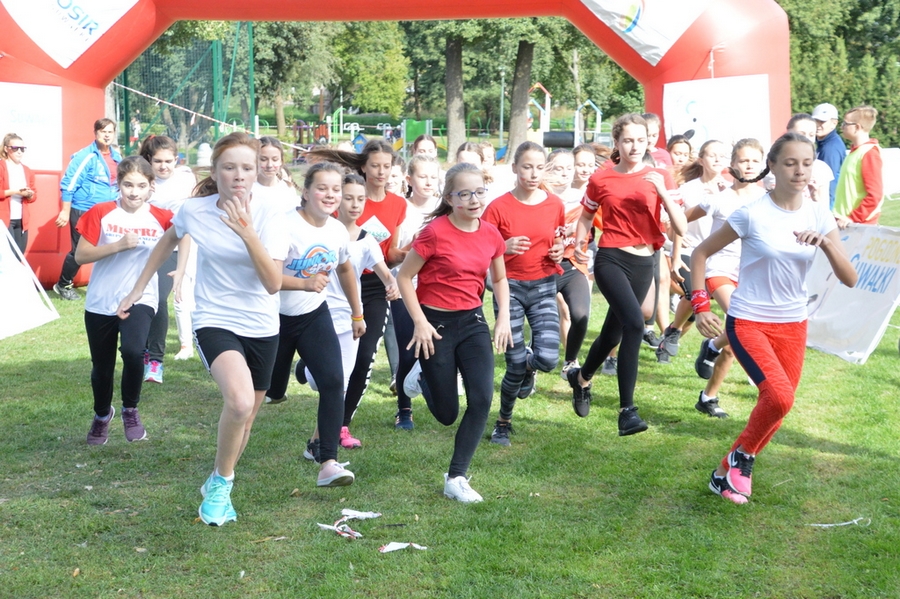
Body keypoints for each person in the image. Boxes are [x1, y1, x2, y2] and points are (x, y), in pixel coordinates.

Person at [117, 132, 288, 526]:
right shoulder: (195, 210)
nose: (239, 175)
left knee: (246, 418)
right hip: (215, 319)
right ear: (215, 171)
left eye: (247, 167)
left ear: (257, 170)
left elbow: (273, 283)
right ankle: (223, 484)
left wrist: (247, 232)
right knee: (239, 402)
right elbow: (168, 239)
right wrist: (138, 288)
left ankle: (217, 476)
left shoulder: (272, 212)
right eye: (230, 167)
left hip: (263, 325)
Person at [691, 132, 857, 504]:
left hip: (793, 323)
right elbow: (700, 254)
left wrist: (826, 243)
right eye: (790, 163)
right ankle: (743, 458)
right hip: (748, 320)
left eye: (807, 163)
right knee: (778, 397)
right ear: (773, 166)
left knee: (779, 406)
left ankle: (724, 471)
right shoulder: (751, 213)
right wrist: (701, 306)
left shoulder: (818, 213)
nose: (800, 171)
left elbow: (850, 277)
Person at [397, 162, 511, 502]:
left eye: (479, 192)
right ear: (450, 198)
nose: (474, 200)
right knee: (446, 415)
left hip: (473, 323)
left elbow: (499, 278)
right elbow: (404, 277)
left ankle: (456, 477)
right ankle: (421, 377)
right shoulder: (434, 233)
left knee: (482, 398)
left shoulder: (491, 234)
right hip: (435, 327)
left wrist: (503, 317)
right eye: (465, 194)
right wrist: (420, 322)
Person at [570, 113, 686, 435]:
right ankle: (627, 411)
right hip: (611, 258)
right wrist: (580, 243)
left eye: (641, 140)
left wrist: (663, 192)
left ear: (649, 141)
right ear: (617, 143)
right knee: (635, 323)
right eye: (628, 140)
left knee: (613, 334)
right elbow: (586, 216)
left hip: (646, 261)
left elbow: (681, 227)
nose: (635, 146)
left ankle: (581, 378)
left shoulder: (661, 176)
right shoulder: (602, 179)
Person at [265, 162, 366, 485]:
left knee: (334, 382)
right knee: (271, 390)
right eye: (322, 188)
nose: (330, 195)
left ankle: (327, 461)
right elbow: (269, 278)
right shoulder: (284, 225)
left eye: (336, 189)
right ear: (306, 192)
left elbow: (345, 268)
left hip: (313, 315)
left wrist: (357, 313)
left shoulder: (336, 230)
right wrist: (304, 283)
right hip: (274, 319)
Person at [308, 140, 406, 444]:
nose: (381, 171)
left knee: (363, 356)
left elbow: (389, 255)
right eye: (375, 165)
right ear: (363, 167)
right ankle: (308, 367)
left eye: (387, 166)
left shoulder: (398, 204)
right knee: (328, 358)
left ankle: (340, 424)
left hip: (372, 288)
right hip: (332, 289)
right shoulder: (339, 206)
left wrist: (405, 266)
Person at [75, 156, 173, 445]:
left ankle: (131, 410)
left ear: (151, 186)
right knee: (101, 367)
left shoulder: (162, 217)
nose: (134, 192)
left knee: (133, 351)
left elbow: (187, 233)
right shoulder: (101, 212)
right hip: (101, 300)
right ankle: (102, 415)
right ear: (118, 184)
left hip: (141, 297)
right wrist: (117, 246)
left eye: (141, 185)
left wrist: (182, 270)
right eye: (128, 185)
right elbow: (81, 256)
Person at [482, 142, 565, 446]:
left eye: (539, 167)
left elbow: (559, 239)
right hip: (509, 288)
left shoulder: (554, 204)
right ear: (515, 168)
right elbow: (479, 248)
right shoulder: (498, 207)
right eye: (527, 167)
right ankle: (503, 422)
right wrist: (503, 247)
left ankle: (531, 366)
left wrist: (559, 251)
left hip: (543, 285)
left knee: (548, 359)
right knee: (513, 364)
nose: (533, 174)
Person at [684, 139, 766, 418]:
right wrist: (674, 246)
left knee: (733, 343)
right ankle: (713, 346)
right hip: (719, 270)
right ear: (732, 165)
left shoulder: (768, 199)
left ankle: (708, 396)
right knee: (743, 320)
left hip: (751, 273)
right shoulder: (720, 198)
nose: (749, 165)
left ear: (764, 165)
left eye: (755, 161)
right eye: (744, 160)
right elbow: (681, 220)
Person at [660, 140, 729, 365]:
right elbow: (673, 223)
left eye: (722, 156)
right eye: (712, 155)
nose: (717, 159)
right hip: (690, 250)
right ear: (701, 160)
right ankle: (673, 333)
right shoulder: (688, 189)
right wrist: (676, 248)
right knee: (694, 295)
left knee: (694, 305)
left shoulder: (730, 189)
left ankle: (673, 332)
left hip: (719, 256)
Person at [139, 135, 197, 381]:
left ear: (177, 160)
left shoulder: (186, 178)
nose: (163, 166)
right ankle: (142, 348)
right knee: (140, 299)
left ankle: (156, 360)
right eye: (158, 161)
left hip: (175, 247)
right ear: (149, 160)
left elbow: (187, 222)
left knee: (162, 298)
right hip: (144, 247)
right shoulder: (143, 182)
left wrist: (182, 266)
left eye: (168, 161)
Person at [392, 155, 442, 429]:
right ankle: (404, 409)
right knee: (408, 351)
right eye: (423, 176)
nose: (428, 182)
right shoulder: (401, 208)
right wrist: (410, 249)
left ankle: (437, 394)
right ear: (409, 179)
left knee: (437, 349)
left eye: (433, 177)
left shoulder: (444, 208)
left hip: (436, 291)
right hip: (404, 288)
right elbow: (391, 254)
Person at [54, 118, 122, 300]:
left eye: (110, 132)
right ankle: (63, 284)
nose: (106, 135)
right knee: (80, 251)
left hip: (109, 210)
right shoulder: (86, 156)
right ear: (95, 133)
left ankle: (106, 286)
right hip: (84, 209)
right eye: (103, 132)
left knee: (110, 247)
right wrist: (65, 211)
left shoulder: (117, 157)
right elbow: (69, 184)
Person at [833, 105, 883, 228]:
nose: (842, 127)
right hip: (847, 223)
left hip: (859, 225)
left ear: (857, 127)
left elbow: (875, 195)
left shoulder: (869, 153)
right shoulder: (855, 152)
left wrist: (853, 218)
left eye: (845, 123)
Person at [0, 134, 37, 254]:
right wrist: (15, 191)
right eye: (15, 148)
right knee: (7, 255)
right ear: (6, 149)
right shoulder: (1, 167)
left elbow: (34, 194)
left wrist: (29, 194)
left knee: (19, 254)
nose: (19, 152)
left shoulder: (27, 170)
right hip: (4, 218)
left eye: (22, 148)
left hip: (21, 219)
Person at [784, 114, 833, 203]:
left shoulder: (821, 168)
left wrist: (815, 196)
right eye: (801, 134)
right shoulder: (775, 164)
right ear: (788, 133)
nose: (807, 139)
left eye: (811, 135)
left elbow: (824, 208)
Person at [811, 103, 846, 209]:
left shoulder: (830, 148)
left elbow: (829, 183)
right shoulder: (824, 143)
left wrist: (826, 211)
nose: (817, 125)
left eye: (822, 121)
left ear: (834, 123)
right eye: (815, 121)